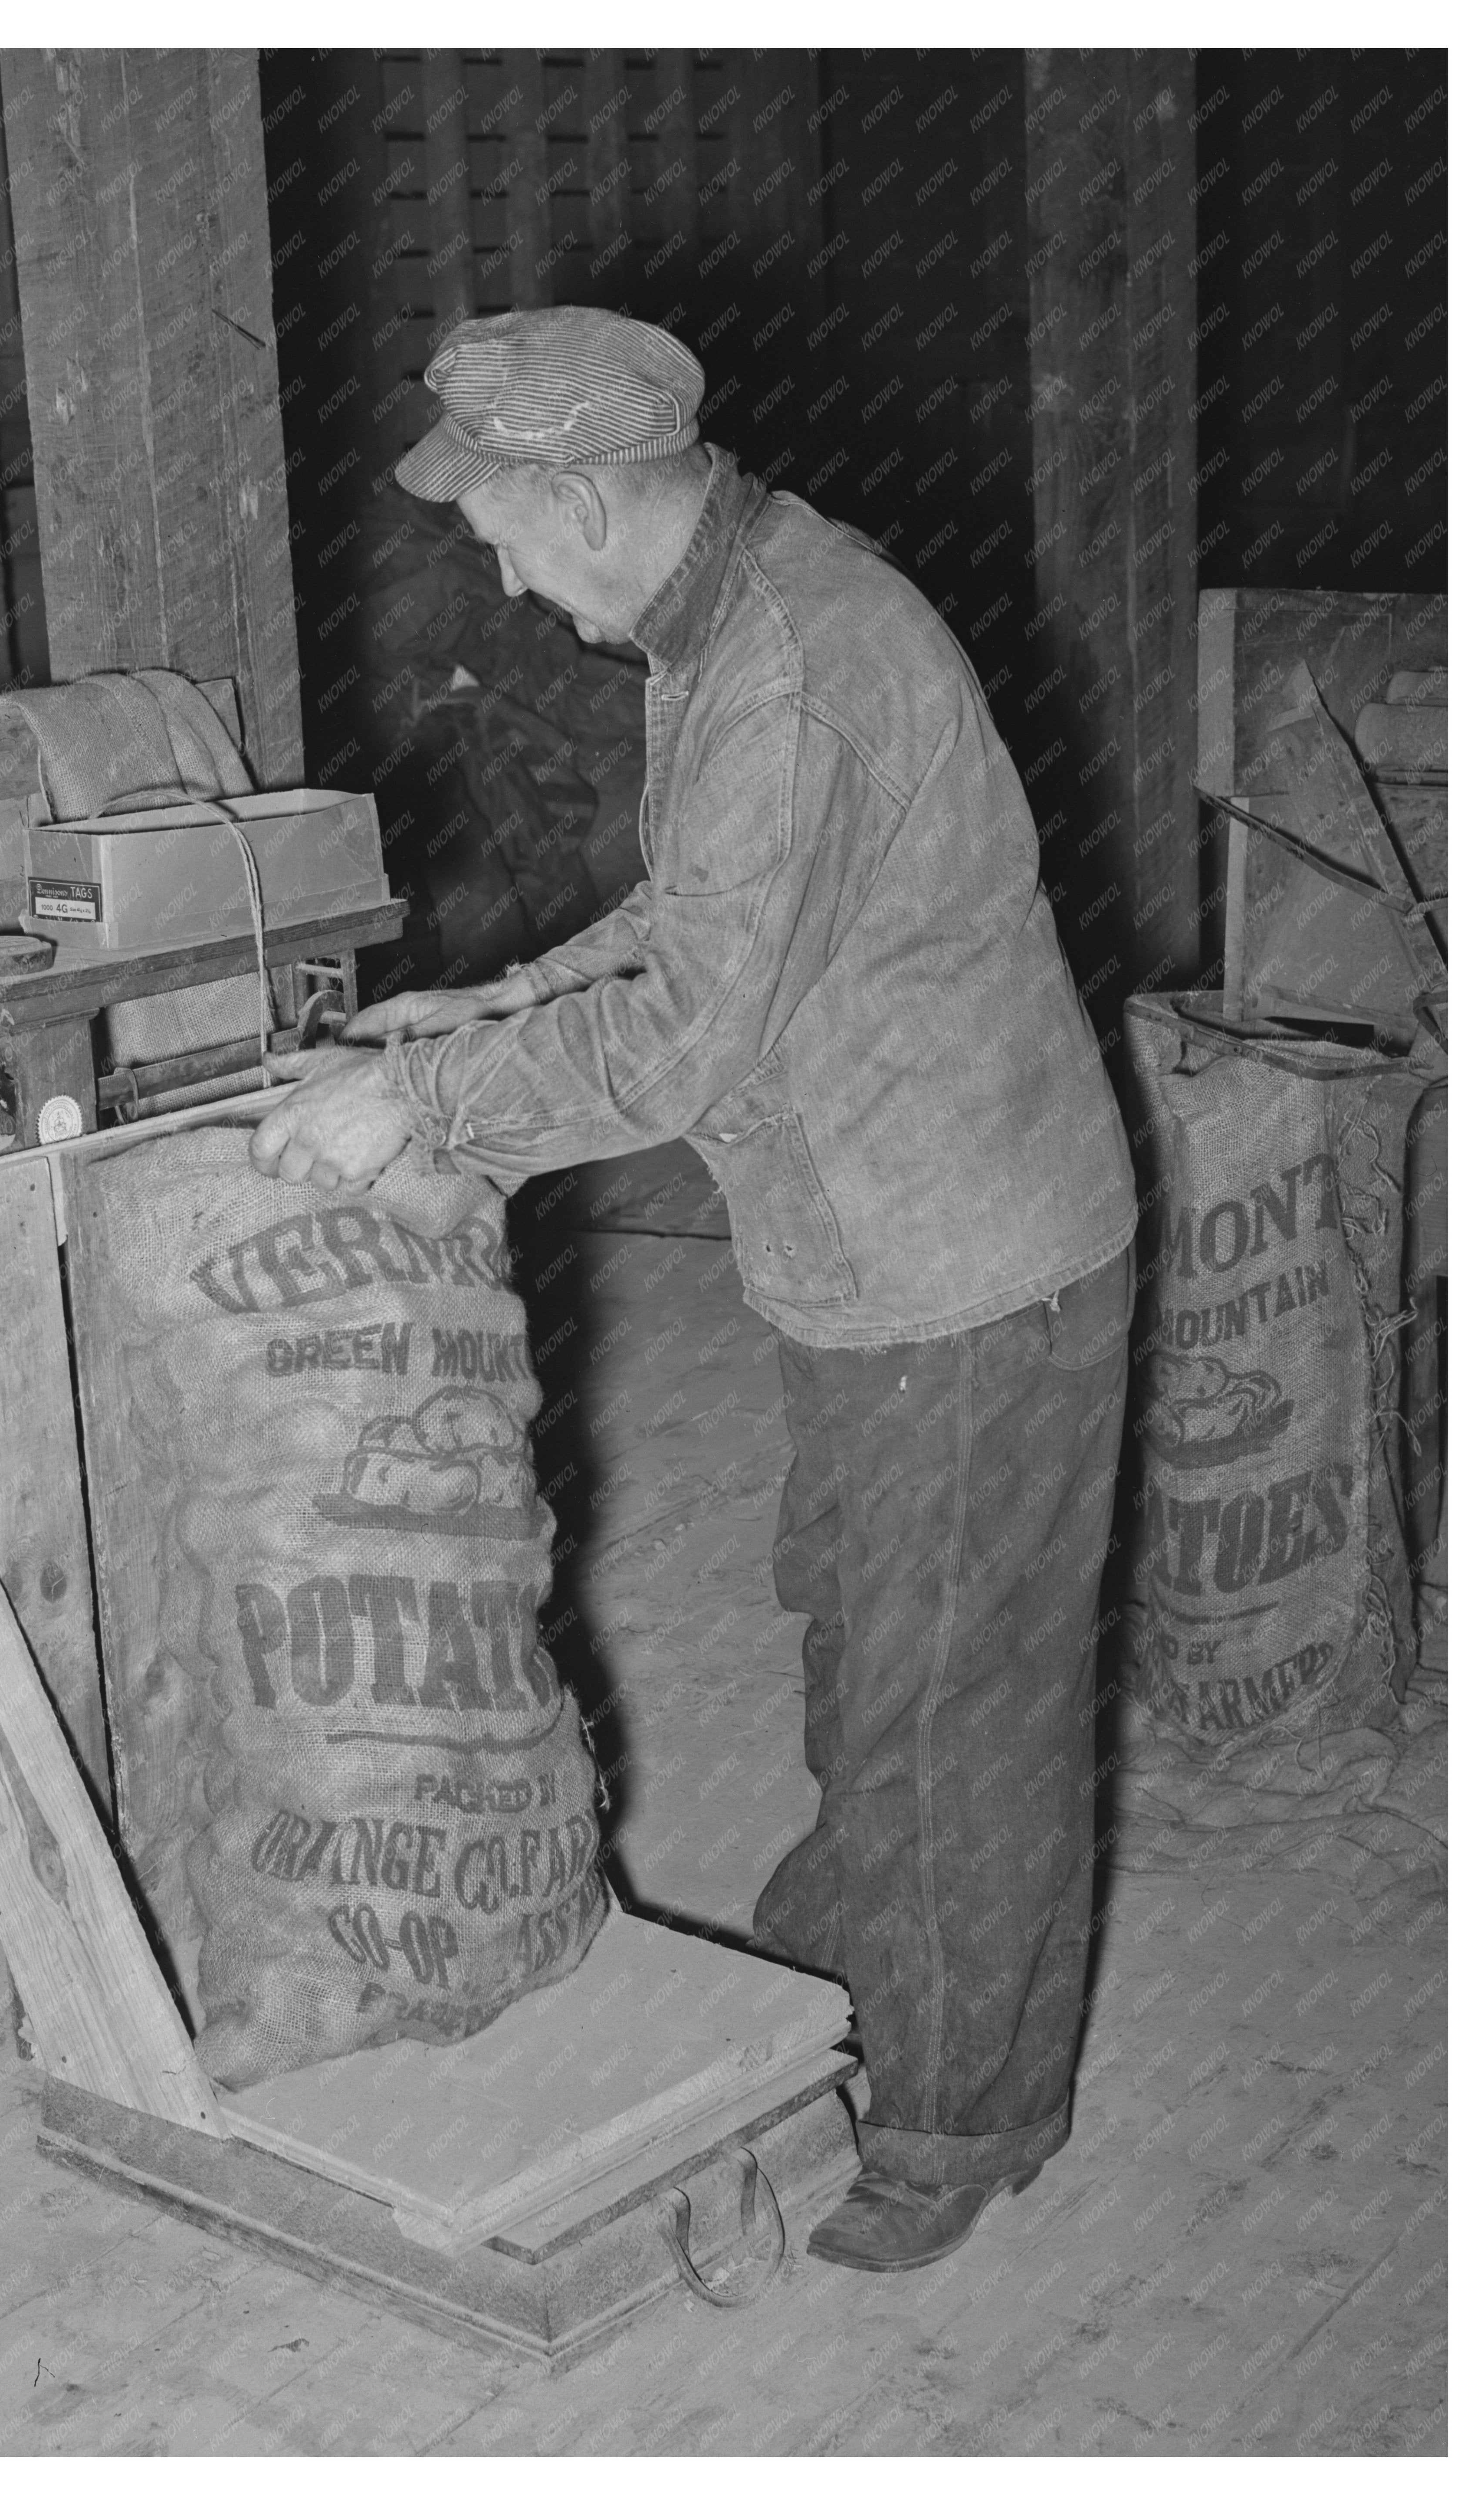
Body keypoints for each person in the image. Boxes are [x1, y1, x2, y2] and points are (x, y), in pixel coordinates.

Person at [252, 305, 1138, 2272]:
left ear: (581, 497)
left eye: (497, 525)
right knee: (871, 1647)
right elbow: (698, 920)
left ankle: (954, 2117)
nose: (493, 565)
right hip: (889, 1250)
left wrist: (425, 1104)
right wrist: (486, 1005)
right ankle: (866, 1966)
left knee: (944, 1707)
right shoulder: (740, 621)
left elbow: (682, 1045)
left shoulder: (792, 671)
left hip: (960, 1269)